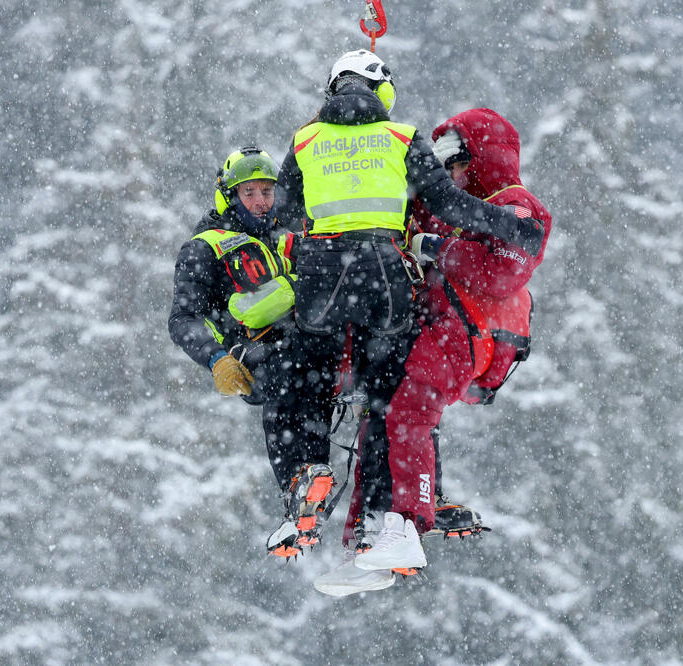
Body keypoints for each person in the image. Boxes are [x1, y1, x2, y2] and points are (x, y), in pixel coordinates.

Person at [269, 50, 547, 589]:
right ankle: (397, 517)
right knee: (390, 399)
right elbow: (447, 201)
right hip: (386, 282)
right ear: (383, 90)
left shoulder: (305, 139)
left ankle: (313, 478)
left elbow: (283, 211)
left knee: (303, 374)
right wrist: (505, 227)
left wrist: (312, 238)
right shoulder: (400, 137)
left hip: (324, 282)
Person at [168, 146, 335, 559]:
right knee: (288, 375)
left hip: (312, 344)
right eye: (251, 193)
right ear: (229, 196)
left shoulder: (289, 234)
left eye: (268, 191)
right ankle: (295, 484)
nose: (262, 201)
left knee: (321, 382)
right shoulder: (206, 247)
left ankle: (314, 488)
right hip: (256, 349)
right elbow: (183, 318)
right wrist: (215, 358)